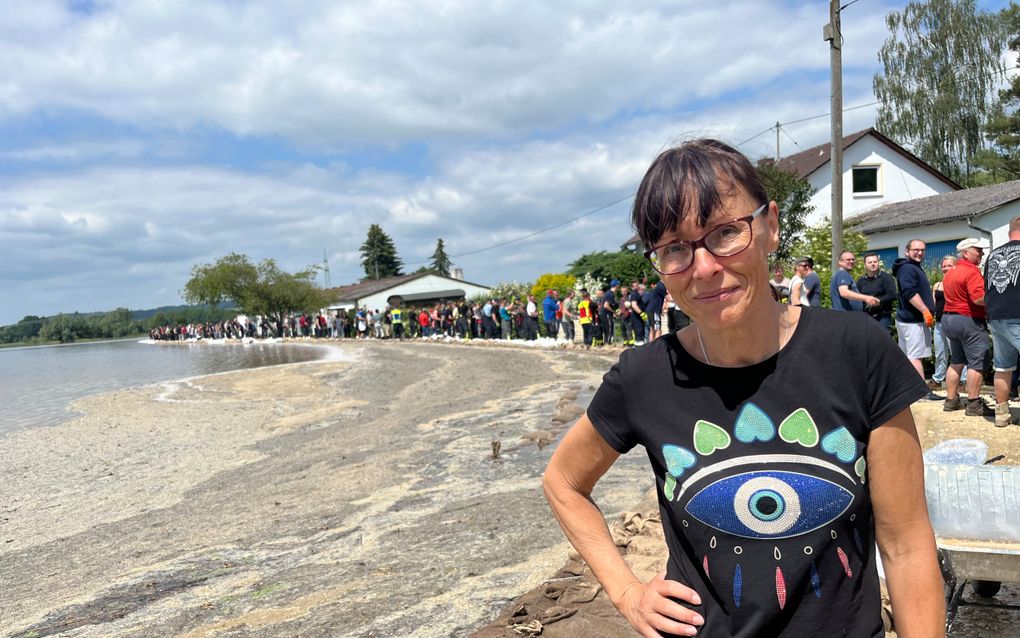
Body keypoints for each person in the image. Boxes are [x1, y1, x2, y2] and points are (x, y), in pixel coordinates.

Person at [543, 139, 942, 638]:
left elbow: (906, 544)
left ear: (770, 225)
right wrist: (626, 592)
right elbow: (563, 483)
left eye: (726, 233)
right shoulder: (642, 377)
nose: (705, 267)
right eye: (675, 249)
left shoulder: (854, 350)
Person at [941, 237, 994, 417]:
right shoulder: (971, 272)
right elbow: (978, 298)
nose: (981, 253)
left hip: (949, 319)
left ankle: (951, 400)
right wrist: (998, 301)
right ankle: (973, 403)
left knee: (956, 360)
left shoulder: (951, 271)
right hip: (968, 320)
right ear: (965, 252)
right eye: (977, 250)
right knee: (977, 362)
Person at [985, 216, 1020, 426]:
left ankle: (1001, 414)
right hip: (1018, 313)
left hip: (996, 316)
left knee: (1003, 367)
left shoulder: (992, 255)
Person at [892, 240, 937, 388]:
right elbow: (909, 292)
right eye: (915, 249)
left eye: (922, 250)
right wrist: (925, 310)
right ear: (907, 251)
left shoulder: (910, 267)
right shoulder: (907, 269)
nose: (919, 252)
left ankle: (907, 388)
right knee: (915, 356)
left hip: (907, 319)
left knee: (908, 356)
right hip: (913, 320)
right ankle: (921, 391)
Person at [932, 256, 965, 392]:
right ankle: (938, 379)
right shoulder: (937, 285)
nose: (946, 268)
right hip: (939, 323)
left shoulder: (958, 283)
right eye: (944, 266)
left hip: (952, 322)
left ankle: (963, 381)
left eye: (949, 265)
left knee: (956, 352)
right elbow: (934, 304)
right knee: (940, 352)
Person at [857, 253, 897, 333]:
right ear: (865, 265)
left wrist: (877, 300)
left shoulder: (886, 278)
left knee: (882, 341)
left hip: (883, 317)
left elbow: (892, 295)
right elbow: (858, 297)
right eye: (870, 262)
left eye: (875, 262)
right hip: (866, 317)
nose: (873, 264)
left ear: (878, 263)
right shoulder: (861, 281)